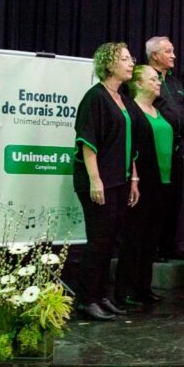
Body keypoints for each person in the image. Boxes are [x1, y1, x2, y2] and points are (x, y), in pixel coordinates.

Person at [73, 42, 138, 321]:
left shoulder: (122, 99)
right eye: (124, 59)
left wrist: (133, 178)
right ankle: (86, 299)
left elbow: (129, 143)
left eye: (131, 58)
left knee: (110, 240)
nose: (131, 63)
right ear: (109, 64)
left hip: (120, 180)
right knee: (99, 240)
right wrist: (95, 180)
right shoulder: (95, 97)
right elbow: (87, 142)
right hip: (99, 180)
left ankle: (100, 295)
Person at [114, 65, 174, 306]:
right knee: (135, 236)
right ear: (138, 83)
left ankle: (143, 287)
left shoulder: (159, 110)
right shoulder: (132, 110)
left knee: (152, 237)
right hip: (143, 181)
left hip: (163, 181)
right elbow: (131, 147)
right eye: (153, 79)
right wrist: (134, 178)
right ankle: (126, 290)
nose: (158, 82)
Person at [145, 36, 184, 258]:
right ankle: (152, 246)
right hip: (155, 148)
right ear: (154, 55)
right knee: (156, 199)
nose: (173, 55)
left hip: (178, 148)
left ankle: (169, 244)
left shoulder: (175, 83)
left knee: (174, 199)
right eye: (168, 51)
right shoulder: (144, 78)